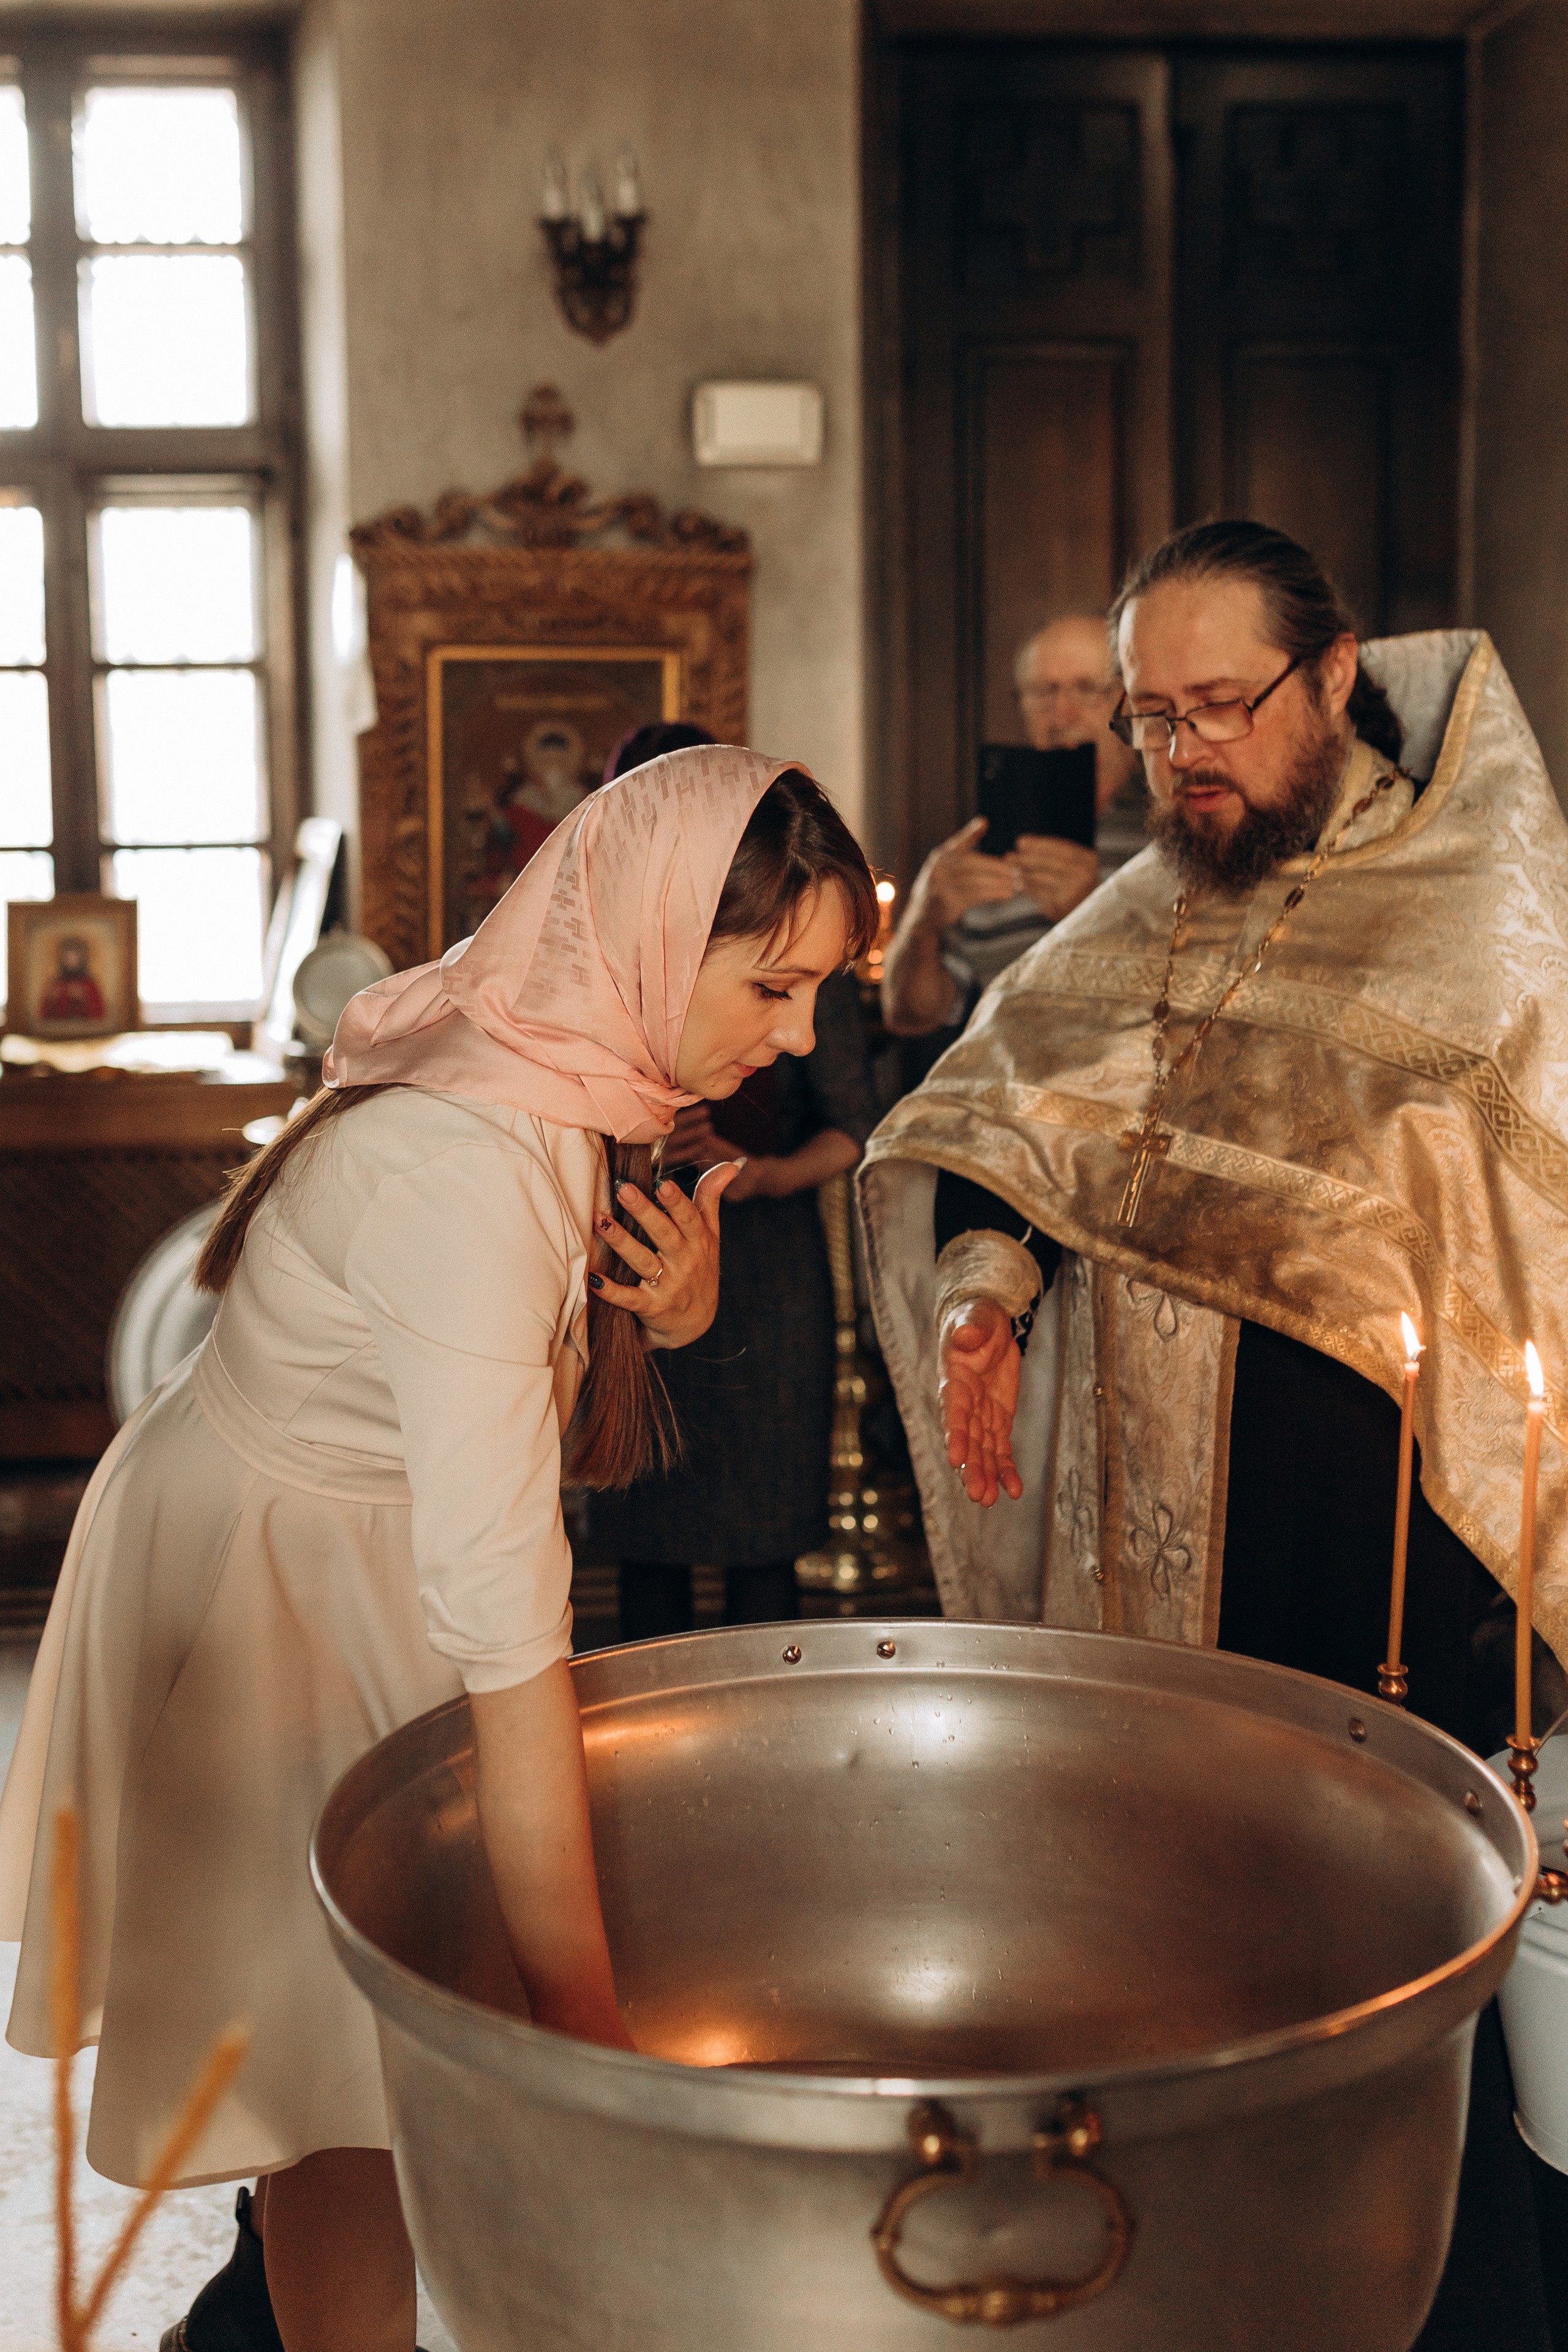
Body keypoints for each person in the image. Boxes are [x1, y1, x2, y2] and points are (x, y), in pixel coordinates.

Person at [0, 745, 878, 2352]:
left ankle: (256, 2319)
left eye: (823, 989)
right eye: (777, 984)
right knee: (345, 2077)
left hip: (364, 1543)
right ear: (651, 940)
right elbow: (510, 1626)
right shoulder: (460, 1167)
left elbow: (518, 1370)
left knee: (363, 2053)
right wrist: (588, 2028)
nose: (802, 1035)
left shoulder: (559, 1044)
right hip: (274, 1585)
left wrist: (668, 1311)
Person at [858, 520, 1568, 2352]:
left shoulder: (1482, 903)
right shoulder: (1147, 901)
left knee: (1376, 1970)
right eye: (1151, 719)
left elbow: (1524, 1245)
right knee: (1167, 1950)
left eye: (1221, 706)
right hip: (1152, 1523)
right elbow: (1027, 1127)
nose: (1184, 752)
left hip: (1383, 1558)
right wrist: (990, 1289)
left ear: (1332, 680)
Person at [586, 724, 882, 1637]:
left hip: (764, 1278)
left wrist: (759, 1174)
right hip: (637, 1246)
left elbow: (859, 1129)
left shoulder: (792, 955)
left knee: (764, 1547)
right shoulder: (600, 969)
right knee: (648, 1543)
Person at [880, 612, 1144, 1044]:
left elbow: (1195, 1014)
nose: (1062, 714)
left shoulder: (1169, 836)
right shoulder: (987, 841)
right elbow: (908, 1015)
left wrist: (1093, 912)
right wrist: (923, 921)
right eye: (1043, 693)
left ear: (1131, 702)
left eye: (1087, 689)